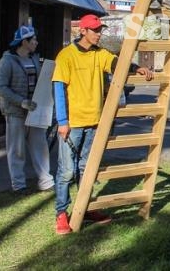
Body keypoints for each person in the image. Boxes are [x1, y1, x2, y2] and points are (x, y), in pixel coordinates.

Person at [52, 14, 153, 235]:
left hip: (95, 123)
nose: (99, 34)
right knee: (66, 171)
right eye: (95, 30)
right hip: (73, 124)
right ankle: (61, 214)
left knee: (86, 169)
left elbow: (119, 63)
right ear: (83, 32)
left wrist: (137, 69)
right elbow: (58, 89)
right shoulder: (66, 56)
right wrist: (62, 121)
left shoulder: (101, 54)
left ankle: (85, 209)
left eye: (100, 30)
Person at [0, 25, 54, 193]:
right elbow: (0, 87)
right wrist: (21, 102)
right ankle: (18, 184)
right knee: (17, 149)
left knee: (40, 147)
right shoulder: (6, 61)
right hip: (16, 113)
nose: (36, 42)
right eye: (33, 39)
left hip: (34, 110)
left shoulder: (34, 58)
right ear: (24, 42)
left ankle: (46, 181)